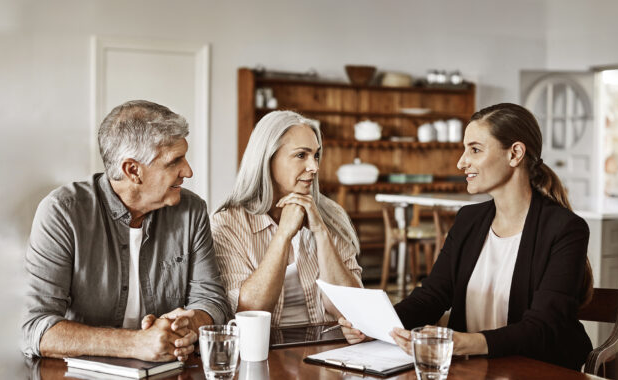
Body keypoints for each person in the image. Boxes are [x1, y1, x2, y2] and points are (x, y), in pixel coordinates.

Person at [340, 103, 594, 370]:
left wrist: (463, 342)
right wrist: (376, 326)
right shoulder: (468, 220)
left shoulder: (565, 229)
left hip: (538, 371)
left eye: (475, 149)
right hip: (472, 370)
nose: (462, 162)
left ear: (515, 153)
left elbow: (542, 327)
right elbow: (432, 296)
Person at [21, 100, 231, 362]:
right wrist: (135, 344)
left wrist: (186, 326)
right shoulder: (63, 212)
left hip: (168, 370)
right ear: (133, 170)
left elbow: (212, 301)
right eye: (174, 161)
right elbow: (37, 329)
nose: (187, 171)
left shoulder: (192, 210)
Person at [211, 110, 362, 327]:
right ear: (267, 159)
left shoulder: (331, 215)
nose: (314, 167)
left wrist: (321, 232)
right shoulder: (227, 224)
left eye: (316, 155)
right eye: (301, 155)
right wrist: (283, 234)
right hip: (264, 350)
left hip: (328, 347)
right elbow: (250, 312)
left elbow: (352, 310)